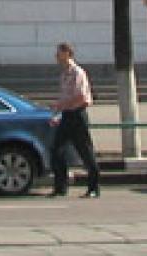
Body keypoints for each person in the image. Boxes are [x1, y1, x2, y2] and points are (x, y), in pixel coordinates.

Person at [48, 41, 101, 198]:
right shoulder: (64, 74)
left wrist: (60, 105)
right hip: (67, 115)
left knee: (85, 152)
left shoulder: (78, 73)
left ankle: (93, 188)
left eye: (59, 53)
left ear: (67, 54)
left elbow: (81, 97)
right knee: (56, 150)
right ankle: (60, 187)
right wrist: (58, 113)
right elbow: (65, 96)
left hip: (78, 115)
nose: (56, 56)